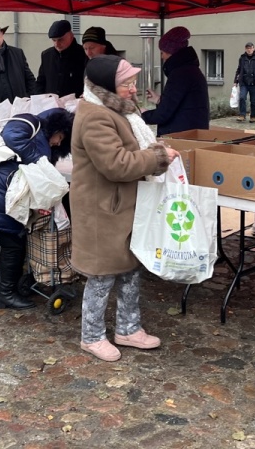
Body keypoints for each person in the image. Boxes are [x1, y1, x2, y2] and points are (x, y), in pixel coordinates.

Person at [71, 55, 180, 361]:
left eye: (133, 83)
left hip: (122, 205)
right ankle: (91, 336)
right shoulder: (95, 116)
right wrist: (157, 158)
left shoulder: (116, 108)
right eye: (127, 84)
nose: (133, 90)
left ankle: (128, 329)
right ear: (107, 86)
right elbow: (116, 165)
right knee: (102, 274)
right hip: (102, 209)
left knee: (130, 269)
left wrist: (155, 153)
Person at [0, 108, 75, 309]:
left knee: (15, 241)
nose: (58, 143)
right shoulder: (29, 121)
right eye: (60, 137)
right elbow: (11, 137)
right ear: (56, 127)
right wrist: (39, 161)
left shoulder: (40, 139)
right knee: (13, 244)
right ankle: (5, 294)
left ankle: (10, 286)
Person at [141, 26, 209, 137]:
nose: (162, 57)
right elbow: (182, 103)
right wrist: (159, 100)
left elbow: (164, 114)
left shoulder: (180, 74)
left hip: (181, 135)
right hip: (192, 132)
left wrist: (143, 114)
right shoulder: (190, 70)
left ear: (170, 52)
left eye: (162, 52)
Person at [34, 19, 87, 97]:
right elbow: (41, 82)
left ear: (71, 35)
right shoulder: (46, 55)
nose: (57, 44)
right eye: (54, 40)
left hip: (76, 105)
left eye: (60, 39)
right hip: (51, 105)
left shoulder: (84, 54)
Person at [233, 41, 255, 123]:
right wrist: (235, 81)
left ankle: (253, 116)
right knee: (242, 98)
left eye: (250, 48)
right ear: (245, 49)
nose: (249, 50)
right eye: (247, 48)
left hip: (254, 82)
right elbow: (239, 70)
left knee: (253, 100)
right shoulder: (242, 58)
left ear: (253, 48)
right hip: (244, 82)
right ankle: (242, 115)